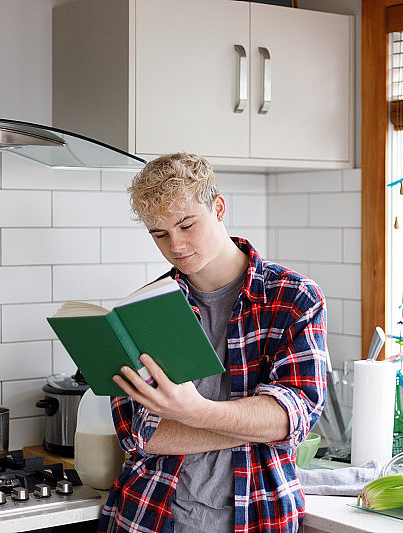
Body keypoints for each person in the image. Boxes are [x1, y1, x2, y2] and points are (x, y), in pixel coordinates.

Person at [97, 153, 328, 533]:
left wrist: (193, 411)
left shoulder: (293, 298)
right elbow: (139, 434)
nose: (176, 245)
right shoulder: (144, 309)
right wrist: (251, 424)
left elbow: (293, 416)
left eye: (186, 225)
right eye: (159, 234)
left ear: (218, 208)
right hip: (148, 515)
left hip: (260, 517)